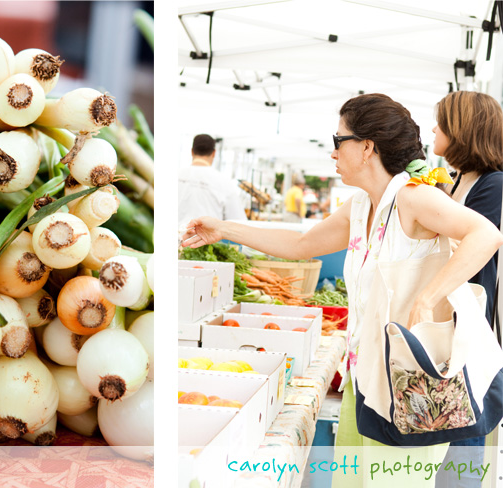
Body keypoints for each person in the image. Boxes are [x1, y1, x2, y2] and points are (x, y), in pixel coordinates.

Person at [182, 93, 503, 487]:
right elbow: (300, 246)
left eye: (339, 141)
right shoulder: (361, 206)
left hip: (410, 386)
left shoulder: (413, 197)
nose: (333, 153)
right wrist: (225, 229)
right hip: (364, 380)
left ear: (367, 147)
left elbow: (486, 234)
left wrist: (429, 296)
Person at [432, 91, 503, 488]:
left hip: (471, 333)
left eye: (440, 123)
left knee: (463, 432)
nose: (433, 130)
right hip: (450, 329)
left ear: (462, 130)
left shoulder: (493, 184)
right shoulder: (460, 179)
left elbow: (473, 251)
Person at [178, 134, 247, 230]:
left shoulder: (177, 174)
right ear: (214, 153)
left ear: (192, 151)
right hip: (207, 243)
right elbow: (238, 222)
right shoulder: (224, 182)